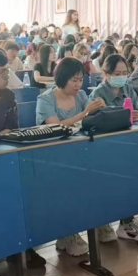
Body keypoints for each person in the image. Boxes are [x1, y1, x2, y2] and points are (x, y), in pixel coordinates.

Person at [36, 58, 106, 255]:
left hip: (80, 151)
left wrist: (99, 108)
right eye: (74, 80)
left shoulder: (81, 95)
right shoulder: (45, 99)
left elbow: (93, 119)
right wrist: (85, 113)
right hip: (52, 156)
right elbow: (54, 127)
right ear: (62, 78)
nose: (78, 85)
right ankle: (68, 232)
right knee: (69, 184)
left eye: (80, 80)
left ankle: (101, 221)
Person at [88, 54, 138, 242]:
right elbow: (96, 124)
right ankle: (108, 221)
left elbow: (134, 114)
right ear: (106, 73)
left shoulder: (128, 88)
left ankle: (127, 221)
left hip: (129, 143)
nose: (122, 76)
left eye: (125, 72)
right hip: (106, 148)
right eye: (117, 73)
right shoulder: (97, 95)